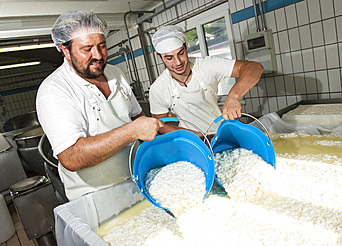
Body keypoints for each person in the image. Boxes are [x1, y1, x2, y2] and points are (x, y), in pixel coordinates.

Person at [36, 10, 163, 201]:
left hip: (136, 180)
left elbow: (138, 117)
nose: (98, 56)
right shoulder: (54, 91)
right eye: (86, 49)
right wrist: (132, 131)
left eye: (102, 46)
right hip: (95, 196)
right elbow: (71, 157)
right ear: (65, 50)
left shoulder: (115, 73)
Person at [149, 25, 264, 139]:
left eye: (181, 53)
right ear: (160, 57)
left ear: (185, 46)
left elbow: (254, 67)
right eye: (169, 58)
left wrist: (234, 96)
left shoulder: (207, 66)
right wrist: (198, 136)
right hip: (191, 140)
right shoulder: (159, 88)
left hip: (221, 134)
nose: (178, 62)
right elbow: (161, 125)